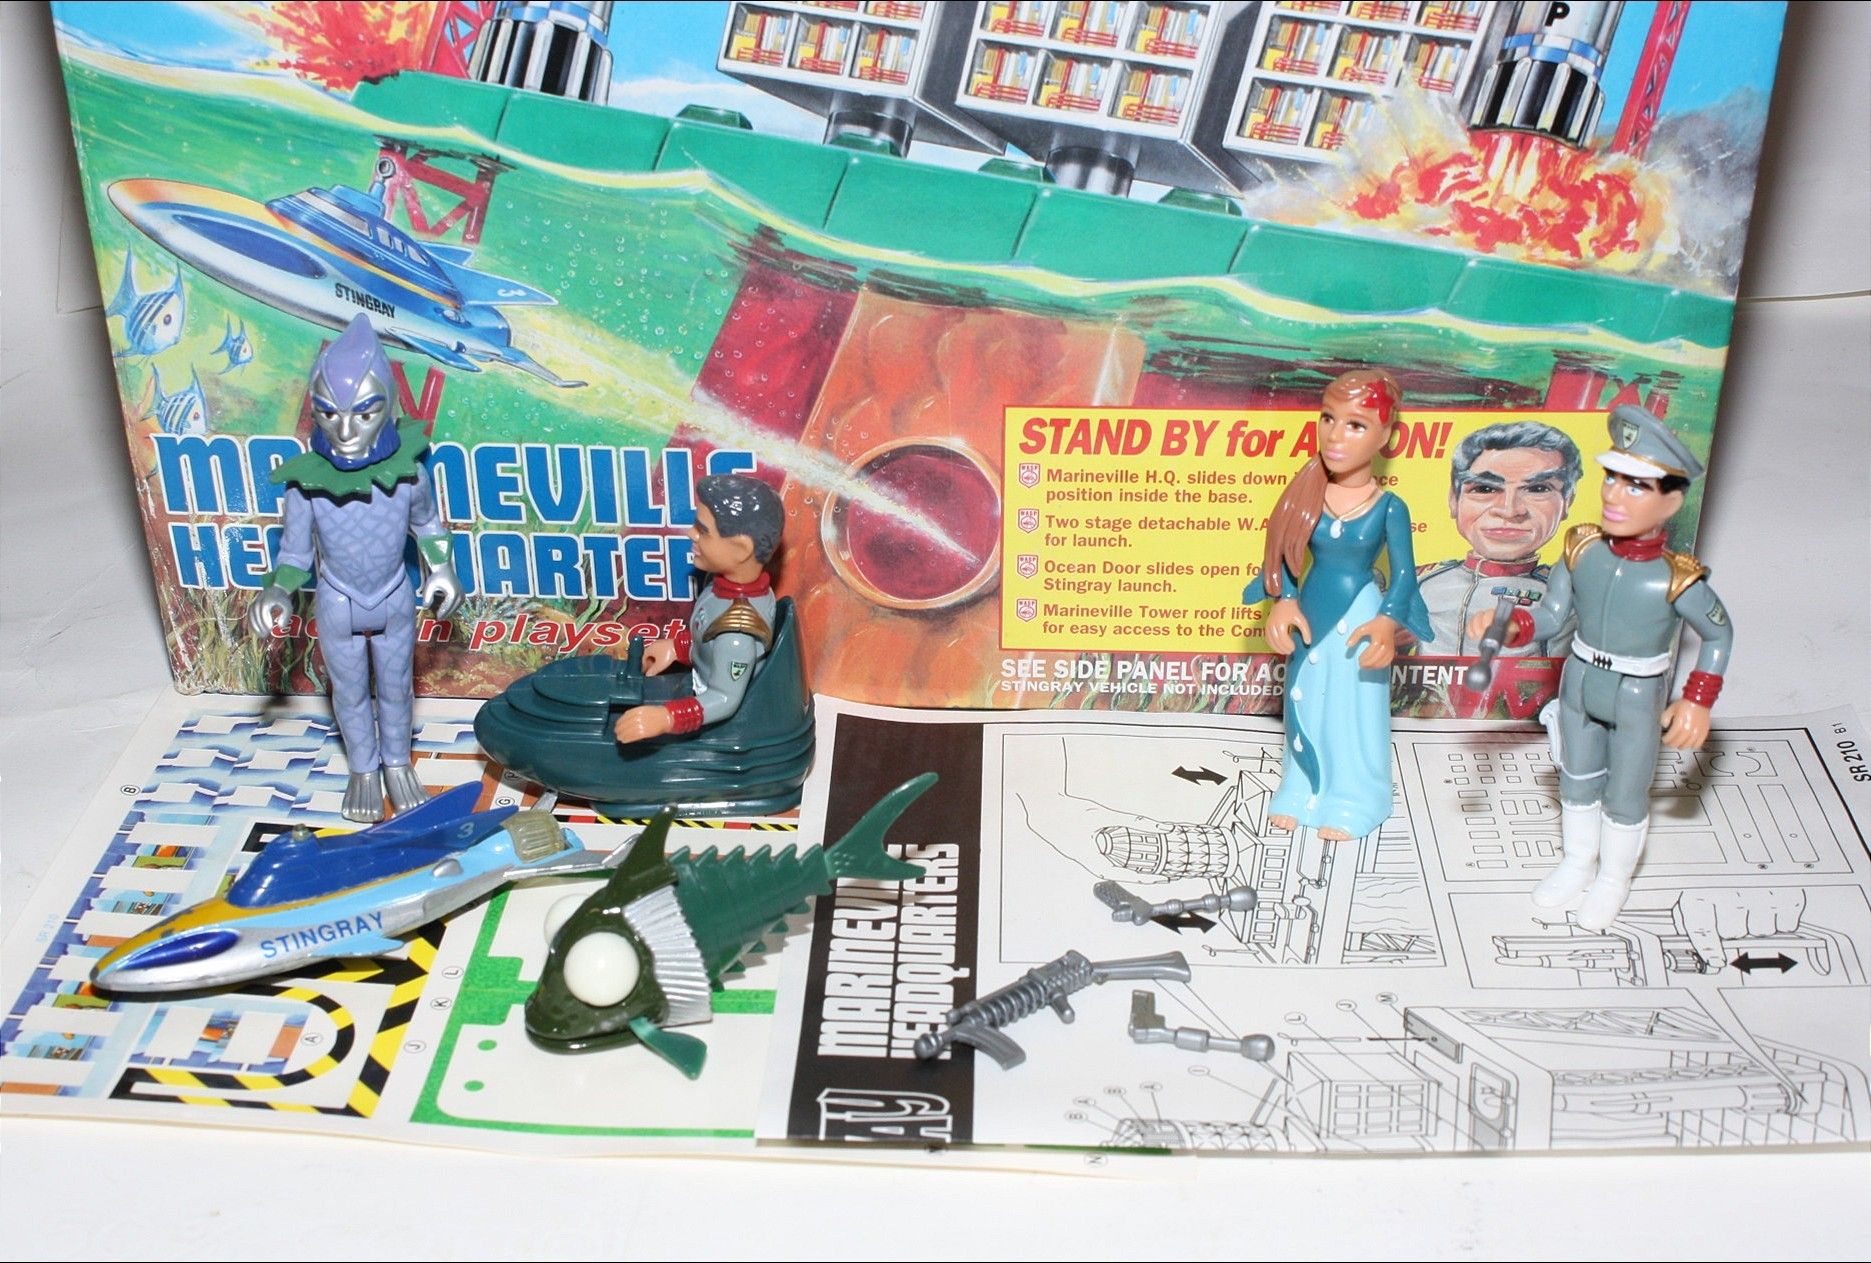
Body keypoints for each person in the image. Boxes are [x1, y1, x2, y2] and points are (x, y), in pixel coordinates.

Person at [1469, 405, 1732, 931]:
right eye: (1612, 479)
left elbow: (1718, 635)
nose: (1614, 495)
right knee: (1576, 779)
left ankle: (1613, 879)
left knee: (1626, 794)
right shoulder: (1582, 551)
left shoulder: (1676, 579)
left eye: (1635, 486)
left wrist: (1697, 700)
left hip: (1638, 691)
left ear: (1671, 500)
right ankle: (1576, 862)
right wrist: (1514, 625)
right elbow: (1552, 615)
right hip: (1581, 680)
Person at [250, 315, 463, 822]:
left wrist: (441, 570)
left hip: (393, 595)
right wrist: (277, 592)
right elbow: (294, 556)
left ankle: (397, 763)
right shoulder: (305, 488)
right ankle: (363, 770)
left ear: (386, 407)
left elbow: (428, 526)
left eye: (363, 413)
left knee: (396, 688)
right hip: (338, 597)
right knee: (347, 692)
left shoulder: (409, 475)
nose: (345, 431)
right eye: (329, 413)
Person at [1242, 369, 1433, 841]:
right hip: (1312, 611)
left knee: (1352, 708)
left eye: (1356, 424)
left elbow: (1404, 576)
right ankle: (1303, 786)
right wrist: (1285, 600)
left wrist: (1387, 622)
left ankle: (1355, 795)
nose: (1335, 435)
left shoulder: (1389, 507)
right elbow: (1286, 553)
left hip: (1359, 617)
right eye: (1328, 418)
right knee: (1305, 698)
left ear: (1386, 436)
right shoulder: (1305, 494)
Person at [613, 473, 784, 744]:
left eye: (703, 531)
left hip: (719, 720)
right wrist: (677, 648)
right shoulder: (718, 586)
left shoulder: (737, 635)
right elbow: (707, 640)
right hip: (699, 682)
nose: (691, 533)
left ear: (741, 549)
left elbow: (725, 698)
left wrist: (667, 717)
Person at [1417, 421, 1581, 655]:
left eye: (1538, 489)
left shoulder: (1571, 595)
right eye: (1485, 489)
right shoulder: (1422, 583)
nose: (1509, 510)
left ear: (1567, 502)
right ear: (1454, 500)